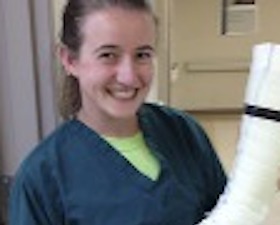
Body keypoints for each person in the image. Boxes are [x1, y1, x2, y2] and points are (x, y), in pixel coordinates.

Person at [8, 0, 226, 224]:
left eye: (142, 55)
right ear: (70, 60)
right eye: (108, 55)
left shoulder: (184, 133)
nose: (128, 76)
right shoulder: (42, 179)